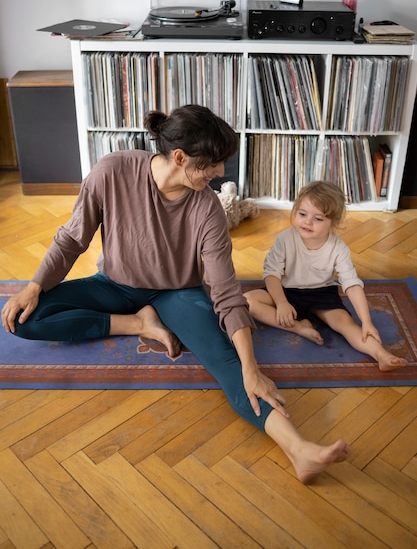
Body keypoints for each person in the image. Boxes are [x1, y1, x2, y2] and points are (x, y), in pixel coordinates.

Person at [1, 105, 350, 483]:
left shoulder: (207, 209)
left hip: (177, 295)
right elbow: (72, 238)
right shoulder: (112, 171)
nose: (220, 173)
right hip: (112, 286)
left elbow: (226, 292)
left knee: (230, 364)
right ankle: (137, 323)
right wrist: (34, 286)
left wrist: (252, 369)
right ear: (180, 157)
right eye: (212, 165)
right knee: (24, 319)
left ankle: (299, 449)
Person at [245, 180, 408, 372]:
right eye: (302, 214)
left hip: (322, 294)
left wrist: (366, 321)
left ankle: (381, 355)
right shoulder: (285, 239)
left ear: (333, 224)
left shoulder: (338, 248)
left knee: (346, 324)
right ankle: (299, 327)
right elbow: (271, 274)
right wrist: (281, 303)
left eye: (318, 219)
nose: (307, 222)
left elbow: (352, 284)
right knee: (247, 302)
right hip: (286, 291)